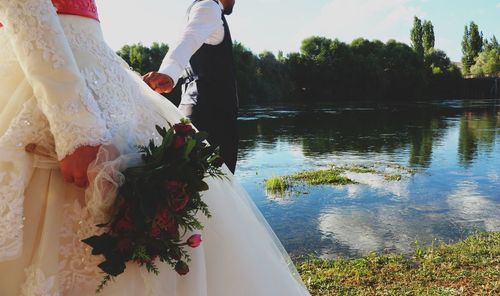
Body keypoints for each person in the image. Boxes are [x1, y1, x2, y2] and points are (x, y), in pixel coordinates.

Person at [0, 1, 310, 295]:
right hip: (57, 74)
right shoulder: (209, 7)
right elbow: (190, 38)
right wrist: (74, 124)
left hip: (102, 71)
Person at [143, 0, 239, 173]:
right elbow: (189, 39)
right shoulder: (209, 7)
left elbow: (189, 45)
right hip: (213, 118)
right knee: (218, 188)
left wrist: (171, 73)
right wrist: (168, 72)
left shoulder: (196, 10)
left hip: (193, 111)